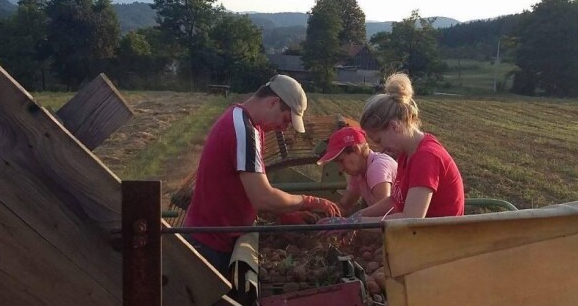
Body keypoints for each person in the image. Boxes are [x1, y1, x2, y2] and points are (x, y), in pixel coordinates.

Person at [182, 75, 341, 278]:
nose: (283, 128)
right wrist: (310, 201)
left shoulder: (248, 124)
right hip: (210, 245)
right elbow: (263, 197)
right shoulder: (243, 130)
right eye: (285, 120)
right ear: (273, 102)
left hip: (216, 238)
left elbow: (248, 186)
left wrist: (283, 212)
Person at [358, 73, 464, 221]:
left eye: (380, 140)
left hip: (438, 239)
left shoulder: (426, 157)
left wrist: (356, 223)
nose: (381, 149)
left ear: (394, 126)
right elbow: (395, 201)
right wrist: (358, 215)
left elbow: (411, 219)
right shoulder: (406, 154)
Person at [316, 126, 397, 217]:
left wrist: (354, 220)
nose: (341, 168)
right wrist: (318, 216)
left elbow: (384, 212)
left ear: (356, 149)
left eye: (341, 160)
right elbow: (344, 205)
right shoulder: (359, 172)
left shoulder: (377, 168)